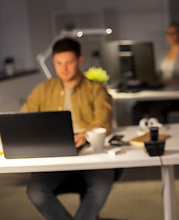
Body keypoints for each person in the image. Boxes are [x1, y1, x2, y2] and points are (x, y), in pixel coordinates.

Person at [21, 38, 116, 220]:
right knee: (35, 190)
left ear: (79, 60)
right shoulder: (43, 90)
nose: (63, 68)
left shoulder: (95, 89)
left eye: (69, 62)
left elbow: (103, 121)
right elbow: (25, 119)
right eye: (58, 63)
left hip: (88, 150)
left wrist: (85, 135)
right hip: (55, 152)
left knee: (101, 185)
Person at [132, 22, 179, 124]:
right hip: (160, 92)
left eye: (173, 33)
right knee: (137, 108)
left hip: (177, 94)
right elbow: (155, 73)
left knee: (155, 110)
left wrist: (162, 83)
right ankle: (137, 136)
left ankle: (159, 137)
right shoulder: (163, 53)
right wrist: (146, 78)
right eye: (168, 33)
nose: (170, 36)